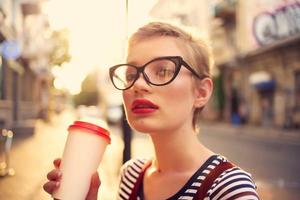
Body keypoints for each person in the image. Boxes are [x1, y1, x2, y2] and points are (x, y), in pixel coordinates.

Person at [44, 22, 260, 200]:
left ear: (201, 92)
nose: (138, 84)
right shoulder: (132, 174)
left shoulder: (229, 189)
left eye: (163, 71)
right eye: (130, 74)